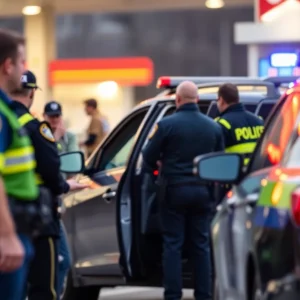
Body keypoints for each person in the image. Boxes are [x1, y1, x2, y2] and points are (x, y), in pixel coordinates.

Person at [142, 81, 224, 300]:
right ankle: (204, 295)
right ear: (196, 100)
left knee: (173, 245)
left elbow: (148, 157)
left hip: (174, 192)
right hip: (203, 193)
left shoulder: (166, 125)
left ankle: (173, 295)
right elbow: (220, 162)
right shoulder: (213, 127)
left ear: (177, 100)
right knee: (201, 245)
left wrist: (157, 166)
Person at [10, 70, 88, 300]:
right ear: (32, 92)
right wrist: (65, 186)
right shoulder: (36, 129)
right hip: (36, 217)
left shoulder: (5, 122)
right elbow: (52, 172)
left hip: (7, 214)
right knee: (45, 285)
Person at [0, 29, 39, 300]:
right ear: (8, 65)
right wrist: (7, 234)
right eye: (21, 61)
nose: (24, 69)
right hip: (7, 232)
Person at [43, 100, 78, 296]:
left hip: (58, 199)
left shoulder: (69, 136)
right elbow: (50, 163)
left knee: (63, 259)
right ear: (44, 117)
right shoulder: (41, 135)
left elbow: (72, 163)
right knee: (57, 259)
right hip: (45, 204)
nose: (54, 121)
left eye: (57, 117)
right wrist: (54, 139)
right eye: (51, 117)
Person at [215, 83, 264, 165]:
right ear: (237, 99)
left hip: (235, 173)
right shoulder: (258, 120)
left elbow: (216, 156)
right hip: (257, 171)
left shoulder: (222, 124)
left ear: (221, 100)